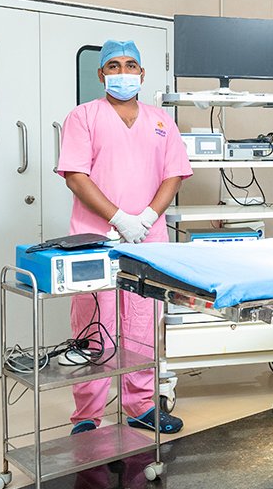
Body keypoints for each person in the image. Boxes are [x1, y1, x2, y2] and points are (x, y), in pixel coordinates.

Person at [56, 39, 192, 435]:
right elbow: (76, 177)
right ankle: (87, 415)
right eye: (113, 66)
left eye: (130, 65)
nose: (122, 73)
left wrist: (146, 218)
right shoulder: (83, 116)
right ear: (101, 74)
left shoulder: (161, 121)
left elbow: (174, 175)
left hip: (149, 239)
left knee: (144, 323)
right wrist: (118, 218)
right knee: (93, 325)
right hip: (96, 237)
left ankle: (142, 405)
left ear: (142, 74)